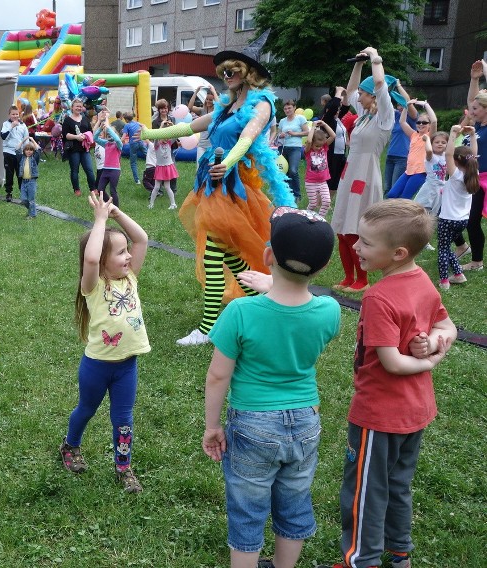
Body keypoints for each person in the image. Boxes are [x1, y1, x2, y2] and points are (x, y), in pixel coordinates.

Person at [317, 200, 457, 568]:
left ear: (397, 253)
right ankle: (399, 554)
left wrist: (428, 357)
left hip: (379, 415)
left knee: (365, 491)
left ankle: (360, 561)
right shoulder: (421, 281)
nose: (355, 247)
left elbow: (392, 363)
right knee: (398, 486)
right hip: (416, 411)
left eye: (364, 242)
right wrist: (436, 346)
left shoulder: (379, 296)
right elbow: (448, 327)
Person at [203, 208, 340, 568]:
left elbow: (218, 376)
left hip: (253, 425)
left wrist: (212, 426)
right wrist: (276, 286)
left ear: (267, 257)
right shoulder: (330, 311)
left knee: (248, 510)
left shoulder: (240, 313)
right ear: (322, 268)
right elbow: (295, 307)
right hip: (306, 423)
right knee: (294, 501)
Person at [142, 31, 293, 346]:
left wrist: (228, 163)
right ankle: (266, 309)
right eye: (225, 68)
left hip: (235, 184)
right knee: (232, 257)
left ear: (249, 73)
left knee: (213, 256)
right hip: (211, 182)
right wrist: (150, 134)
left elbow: (247, 138)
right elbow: (189, 126)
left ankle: (208, 329)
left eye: (234, 68)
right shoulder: (225, 105)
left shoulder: (263, 102)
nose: (227, 73)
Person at [60, 192, 149, 493]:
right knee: (86, 409)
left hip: (127, 366)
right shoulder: (93, 285)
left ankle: (124, 468)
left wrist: (117, 215)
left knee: (123, 419)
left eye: (127, 252)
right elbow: (91, 258)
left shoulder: (130, 279)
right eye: (120, 253)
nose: (128, 257)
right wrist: (99, 221)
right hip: (97, 366)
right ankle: (70, 446)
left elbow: (142, 240)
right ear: (102, 262)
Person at [330, 46, 395, 294]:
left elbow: (380, 83)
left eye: (366, 94)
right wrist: (358, 63)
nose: (360, 97)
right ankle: (349, 277)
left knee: (356, 232)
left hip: (365, 176)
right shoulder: (364, 115)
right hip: (350, 173)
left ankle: (362, 279)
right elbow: (351, 89)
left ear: (374, 96)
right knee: (342, 231)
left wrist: (375, 55)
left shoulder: (383, 118)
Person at [436, 125, 479, 290]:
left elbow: (448, 153)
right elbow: (473, 154)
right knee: (447, 247)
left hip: (448, 220)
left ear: (455, 160)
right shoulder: (472, 174)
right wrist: (473, 135)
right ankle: (459, 275)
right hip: (462, 221)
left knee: (443, 249)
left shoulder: (455, 176)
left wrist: (453, 134)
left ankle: (444, 282)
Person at [458, 59, 487, 272]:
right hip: (468, 176)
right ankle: (466, 249)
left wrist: (485, 71)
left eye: (476, 108)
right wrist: (474, 79)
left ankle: (477, 261)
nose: (472, 111)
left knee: (472, 220)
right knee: (465, 218)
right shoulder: (476, 124)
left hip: (482, 179)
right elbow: (471, 99)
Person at [387, 99, 437, 199]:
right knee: (392, 194)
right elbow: (402, 121)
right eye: (419, 122)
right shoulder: (413, 135)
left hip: (420, 172)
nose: (421, 124)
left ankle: (405, 214)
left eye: (424, 122)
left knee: (405, 197)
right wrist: (406, 106)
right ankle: (396, 212)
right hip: (408, 171)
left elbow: (434, 120)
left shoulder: (430, 136)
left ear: (429, 125)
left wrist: (426, 105)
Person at [383, 81, 418, 195]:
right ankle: (386, 211)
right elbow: (383, 103)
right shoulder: (395, 116)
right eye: (398, 104)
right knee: (387, 189)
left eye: (401, 104)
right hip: (390, 155)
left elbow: (407, 102)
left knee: (395, 189)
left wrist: (398, 85)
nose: (400, 107)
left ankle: (396, 211)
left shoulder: (412, 119)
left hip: (402, 157)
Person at [62, 98, 96, 196]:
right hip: (73, 149)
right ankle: (76, 189)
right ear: (72, 107)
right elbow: (65, 135)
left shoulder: (85, 119)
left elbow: (90, 131)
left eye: (80, 106)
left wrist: (86, 136)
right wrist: (76, 137)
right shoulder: (67, 120)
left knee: (89, 169)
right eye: (77, 106)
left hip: (85, 149)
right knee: (75, 170)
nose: (79, 108)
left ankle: (93, 189)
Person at [319, 86, 351, 193]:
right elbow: (334, 106)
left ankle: (328, 204)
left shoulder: (337, 119)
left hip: (340, 154)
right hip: (330, 154)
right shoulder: (327, 119)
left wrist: (345, 95)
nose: (338, 110)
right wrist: (338, 92)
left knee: (336, 182)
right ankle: (321, 203)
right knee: (329, 181)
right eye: (336, 109)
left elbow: (346, 107)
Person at [278, 100, 309, 203]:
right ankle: (287, 193)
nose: (287, 110)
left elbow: (307, 132)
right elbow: (278, 135)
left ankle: (297, 195)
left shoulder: (300, 118)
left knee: (293, 170)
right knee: (284, 172)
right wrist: (281, 135)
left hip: (295, 148)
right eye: (285, 109)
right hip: (284, 148)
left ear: (294, 108)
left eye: (289, 108)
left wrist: (294, 134)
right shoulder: (282, 121)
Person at [412, 131, 448, 216]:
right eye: (436, 142)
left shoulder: (445, 156)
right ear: (431, 144)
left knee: (433, 214)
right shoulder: (431, 157)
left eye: (443, 142)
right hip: (430, 187)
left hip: (440, 188)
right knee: (420, 210)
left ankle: (428, 228)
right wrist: (427, 139)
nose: (440, 144)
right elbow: (428, 150)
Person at [303, 120, 335, 216]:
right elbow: (309, 140)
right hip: (311, 182)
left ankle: (320, 219)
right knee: (313, 204)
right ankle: (306, 217)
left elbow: (333, 136)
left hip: (322, 182)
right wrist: (313, 127)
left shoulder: (324, 148)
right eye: (317, 145)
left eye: (320, 145)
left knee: (327, 202)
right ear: (312, 143)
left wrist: (324, 124)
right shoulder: (308, 151)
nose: (319, 148)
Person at [94, 110, 124, 206]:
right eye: (108, 134)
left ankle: (117, 209)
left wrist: (109, 129)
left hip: (115, 171)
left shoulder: (118, 145)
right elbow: (95, 138)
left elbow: (117, 139)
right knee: (100, 189)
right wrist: (100, 129)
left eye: (111, 134)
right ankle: (109, 204)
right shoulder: (106, 143)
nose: (109, 136)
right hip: (105, 170)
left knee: (112, 191)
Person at [1, 105, 29, 202]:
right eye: (13, 114)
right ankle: (9, 193)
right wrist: (11, 127)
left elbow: (26, 139)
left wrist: (26, 152)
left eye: (16, 114)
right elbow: (3, 136)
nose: (15, 116)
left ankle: (23, 194)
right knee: (9, 174)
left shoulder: (23, 125)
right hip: (8, 152)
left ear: (19, 114)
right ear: (9, 115)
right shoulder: (5, 124)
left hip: (19, 153)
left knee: (20, 174)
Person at [148, 121, 178, 210]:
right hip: (160, 167)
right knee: (156, 187)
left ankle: (173, 204)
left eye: (166, 136)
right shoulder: (157, 144)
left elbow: (175, 135)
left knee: (167, 187)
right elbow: (157, 135)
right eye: (163, 136)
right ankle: (151, 204)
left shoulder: (169, 143)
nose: (165, 138)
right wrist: (161, 125)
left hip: (167, 167)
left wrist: (172, 126)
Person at [18, 137, 41, 219]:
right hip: (23, 182)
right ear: (24, 151)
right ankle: (32, 210)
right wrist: (23, 140)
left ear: (33, 151)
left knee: (31, 199)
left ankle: (32, 215)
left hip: (31, 181)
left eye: (31, 150)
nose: (28, 151)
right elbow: (17, 149)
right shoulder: (21, 158)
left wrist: (32, 140)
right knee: (24, 200)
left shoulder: (34, 158)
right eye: (27, 150)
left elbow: (38, 150)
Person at [121, 111, 144, 184]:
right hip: (140, 142)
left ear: (126, 120)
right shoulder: (137, 123)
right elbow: (143, 125)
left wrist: (117, 142)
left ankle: (137, 180)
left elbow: (124, 137)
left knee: (133, 163)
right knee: (149, 155)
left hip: (133, 144)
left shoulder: (127, 125)